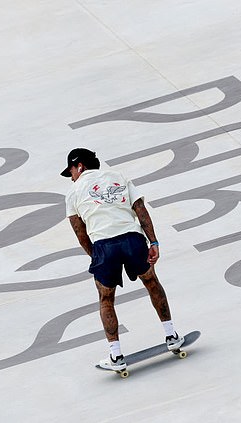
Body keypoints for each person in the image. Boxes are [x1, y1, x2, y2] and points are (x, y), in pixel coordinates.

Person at [61, 148, 184, 371]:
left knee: (106, 299)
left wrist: (97, 256)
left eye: (71, 171)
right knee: (152, 282)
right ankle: (172, 336)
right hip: (133, 239)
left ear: (80, 166)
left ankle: (116, 356)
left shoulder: (73, 192)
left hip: (104, 245)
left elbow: (80, 233)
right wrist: (153, 242)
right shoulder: (118, 177)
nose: (71, 177)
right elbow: (140, 209)